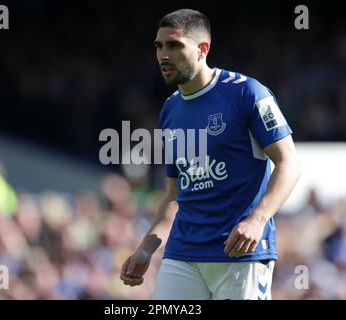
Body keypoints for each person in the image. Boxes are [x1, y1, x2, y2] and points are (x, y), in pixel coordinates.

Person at [120, 8, 300, 300]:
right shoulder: (170, 109)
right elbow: (174, 194)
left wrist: (257, 220)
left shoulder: (248, 93)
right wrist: (146, 248)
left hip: (240, 253)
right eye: (159, 46)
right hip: (182, 254)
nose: (163, 55)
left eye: (175, 45)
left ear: (203, 49)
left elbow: (288, 162)